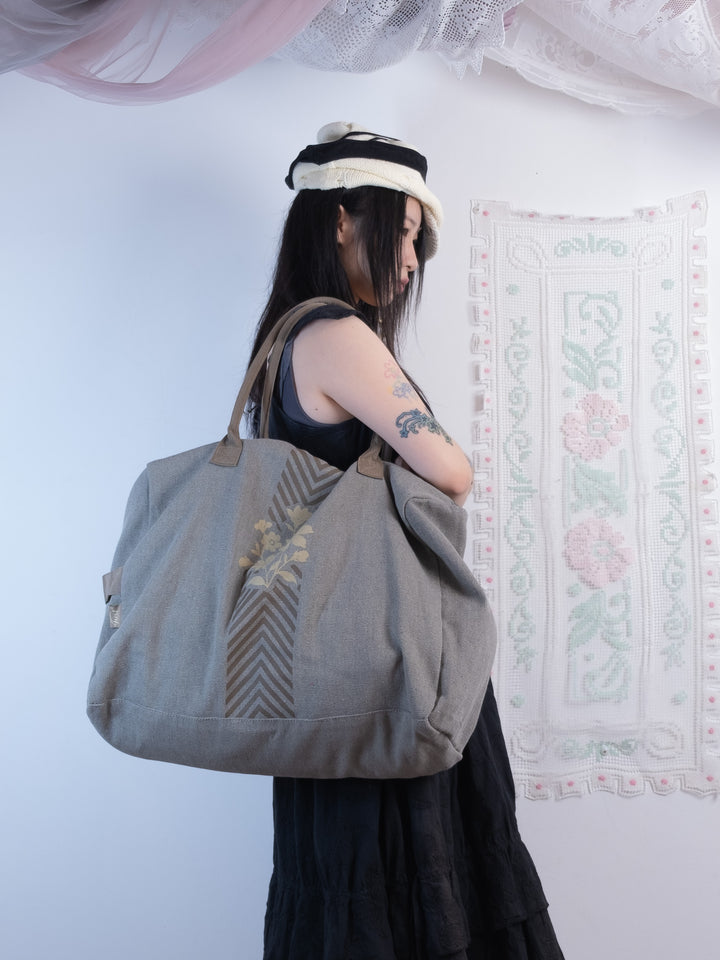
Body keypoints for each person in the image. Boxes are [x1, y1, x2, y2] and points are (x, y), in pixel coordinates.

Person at [246, 122, 564, 960]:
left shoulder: (279, 342)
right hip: (390, 666)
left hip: (324, 673)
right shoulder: (337, 335)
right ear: (341, 219)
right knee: (427, 875)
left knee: (352, 892)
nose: (414, 260)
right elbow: (450, 471)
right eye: (405, 230)